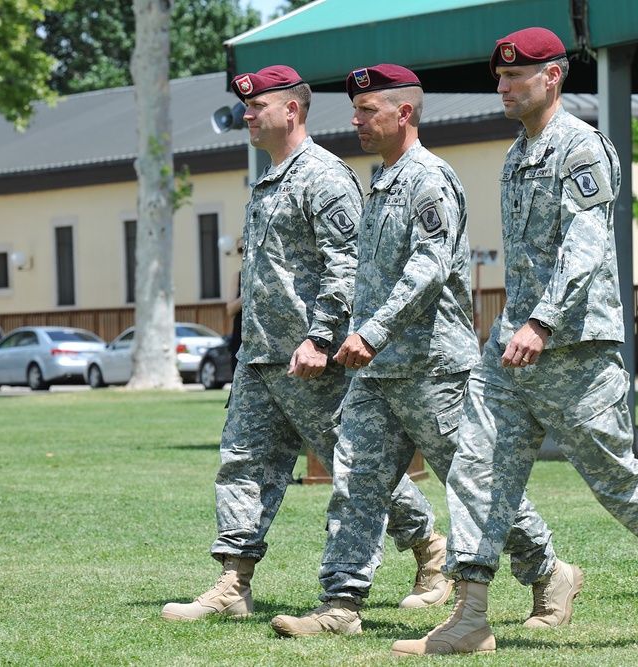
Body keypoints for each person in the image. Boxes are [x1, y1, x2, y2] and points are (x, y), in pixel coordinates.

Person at [391, 28, 638, 657]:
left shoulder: (581, 149)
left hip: (574, 348)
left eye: (515, 76)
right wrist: (515, 326)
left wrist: (543, 321)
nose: (502, 86)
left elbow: (586, 247)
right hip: (513, 351)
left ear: (551, 77)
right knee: (475, 467)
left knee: (616, 480)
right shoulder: (516, 154)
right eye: (499, 77)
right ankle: (472, 614)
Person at [267, 64, 568, 638]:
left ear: (403, 113)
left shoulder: (430, 178)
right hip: (377, 371)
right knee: (355, 480)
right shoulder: (380, 181)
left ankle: (548, 572)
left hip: (433, 367)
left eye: (368, 111)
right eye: (355, 111)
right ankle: (342, 604)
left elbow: (427, 270)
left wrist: (371, 331)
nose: (356, 121)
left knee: (474, 482)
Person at [160, 65, 443, 622]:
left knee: (356, 466)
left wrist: (320, 337)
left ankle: (430, 550)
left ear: (291, 109)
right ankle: (232, 584)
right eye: (245, 106)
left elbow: (346, 265)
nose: (247, 115)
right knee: (242, 465)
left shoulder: (324, 176)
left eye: (257, 106)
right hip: (261, 358)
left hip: (314, 362)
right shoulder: (268, 178)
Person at [226, 236, 244, 376]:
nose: (243, 252)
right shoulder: (237, 277)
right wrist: (245, 296)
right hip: (240, 334)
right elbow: (230, 310)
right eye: (240, 249)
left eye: (245, 248)